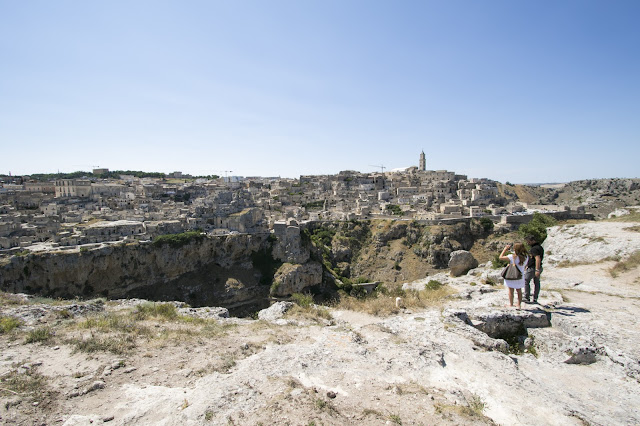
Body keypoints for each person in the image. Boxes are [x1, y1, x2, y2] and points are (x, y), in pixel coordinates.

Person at [499, 243, 528, 309]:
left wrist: (505, 249)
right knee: (519, 291)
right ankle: (518, 305)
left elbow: (500, 257)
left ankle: (511, 304)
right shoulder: (526, 257)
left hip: (511, 275)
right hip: (520, 275)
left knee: (511, 291)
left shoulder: (512, 257)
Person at [524, 234, 544, 304]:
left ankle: (526, 297)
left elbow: (537, 259)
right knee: (536, 282)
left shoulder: (534, 249)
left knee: (526, 280)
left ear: (532, 241)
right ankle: (535, 298)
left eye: (528, 241)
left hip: (533, 268)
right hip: (536, 267)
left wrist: (537, 269)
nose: (527, 243)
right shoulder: (540, 247)